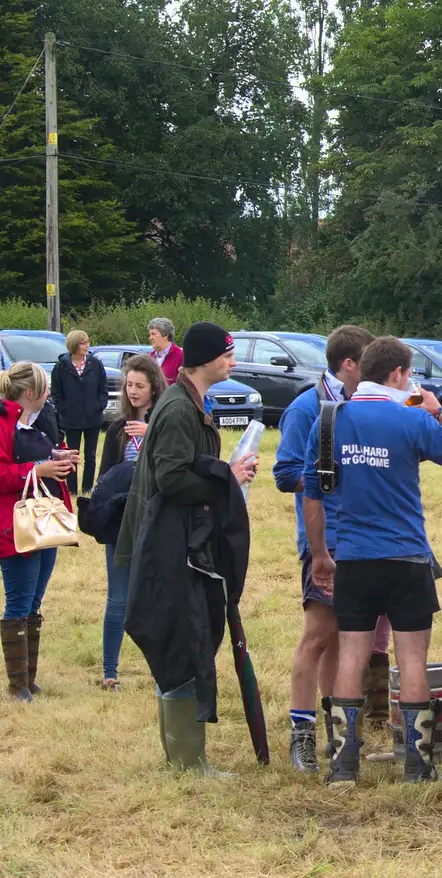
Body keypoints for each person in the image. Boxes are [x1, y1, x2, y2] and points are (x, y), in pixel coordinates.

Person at [301, 336, 442, 785]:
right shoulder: (410, 420)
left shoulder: (330, 419)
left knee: (351, 659)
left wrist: (321, 555)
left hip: (354, 558)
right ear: (399, 374)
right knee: (413, 659)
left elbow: (311, 495)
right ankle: (417, 765)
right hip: (406, 556)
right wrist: (436, 409)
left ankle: (343, 763)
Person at [120, 322, 258, 773]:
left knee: (182, 635)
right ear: (204, 358)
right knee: (182, 638)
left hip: (179, 538)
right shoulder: (179, 409)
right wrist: (227, 481)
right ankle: (188, 761)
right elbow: (172, 479)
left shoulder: (188, 400)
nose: (232, 362)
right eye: (227, 354)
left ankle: (181, 757)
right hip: (171, 542)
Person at [272, 324, 377, 773]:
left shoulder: (364, 406)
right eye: (367, 363)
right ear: (349, 365)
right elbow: (284, 474)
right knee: (317, 634)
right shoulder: (306, 406)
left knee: (343, 635)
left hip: (362, 538)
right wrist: (334, 479)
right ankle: (302, 735)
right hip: (325, 538)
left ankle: (339, 734)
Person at [0, 362, 76, 701]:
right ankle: (17, 686)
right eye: (44, 390)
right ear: (30, 393)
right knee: (18, 601)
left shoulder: (29, 424)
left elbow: (26, 459)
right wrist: (38, 468)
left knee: (34, 601)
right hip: (13, 528)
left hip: (41, 525)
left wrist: (55, 457)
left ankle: (28, 680)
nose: (48, 395)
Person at [89, 355, 166, 691]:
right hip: (121, 522)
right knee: (118, 598)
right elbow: (103, 478)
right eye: (129, 385)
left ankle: (160, 669)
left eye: (140, 386)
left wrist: (151, 434)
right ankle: (110, 672)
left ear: (153, 389)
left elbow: (173, 464)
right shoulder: (118, 428)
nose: (133, 392)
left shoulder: (164, 425)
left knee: (154, 597)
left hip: (158, 520)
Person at [50, 330, 108, 494]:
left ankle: (88, 487)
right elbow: (56, 392)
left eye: (87, 342)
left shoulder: (95, 364)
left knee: (90, 455)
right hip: (71, 419)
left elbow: (103, 387)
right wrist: (64, 409)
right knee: (71, 454)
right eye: (83, 343)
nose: (87, 346)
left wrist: (100, 405)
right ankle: (72, 489)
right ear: (74, 345)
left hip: (92, 418)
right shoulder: (61, 367)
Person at [148, 317, 182, 386]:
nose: (150, 338)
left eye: (153, 334)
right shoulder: (150, 358)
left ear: (165, 335)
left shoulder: (181, 356)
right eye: (150, 334)